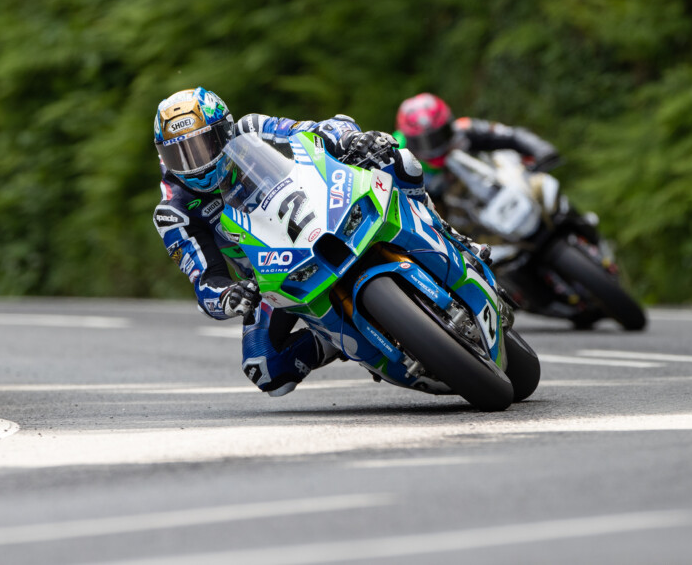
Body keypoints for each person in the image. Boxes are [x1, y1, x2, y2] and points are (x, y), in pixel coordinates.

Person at [152, 87, 429, 397]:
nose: (194, 164)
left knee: (399, 160)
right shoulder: (173, 212)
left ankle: (439, 231)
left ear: (225, 130)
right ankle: (337, 339)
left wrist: (350, 139)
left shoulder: (252, 128)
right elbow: (206, 281)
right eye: (179, 155)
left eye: (202, 146)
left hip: (326, 210)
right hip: (274, 275)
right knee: (263, 366)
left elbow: (313, 129)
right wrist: (229, 295)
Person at [393, 93, 560, 204]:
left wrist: (541, 150)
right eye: (423, 142)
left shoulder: (463, 128)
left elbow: (510, 135)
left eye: (441, 134)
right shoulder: (396, 155)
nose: (435, 146)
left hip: (499, 190)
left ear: (449, 122)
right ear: (409, 141)